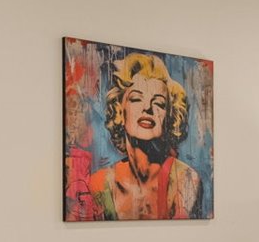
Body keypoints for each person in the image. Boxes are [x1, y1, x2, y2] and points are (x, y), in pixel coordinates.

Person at [86, 53, 203, 220]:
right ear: (120, 111)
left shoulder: (186, 180)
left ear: (170, 115)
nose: (147, 107)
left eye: (159, 103)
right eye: (136, 99)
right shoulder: (99, 183)